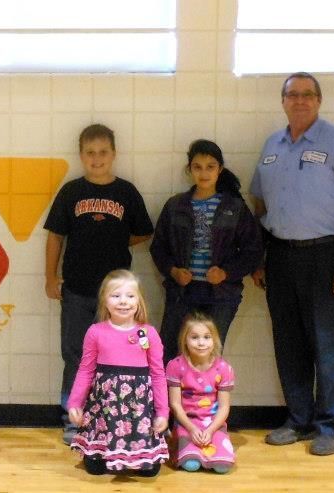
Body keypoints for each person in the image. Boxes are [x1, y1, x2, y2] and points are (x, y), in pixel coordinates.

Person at [249, 72, 334, 456]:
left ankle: (328, 427)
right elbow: (259, 202)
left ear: (319, 100)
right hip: (281, 257)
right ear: (282, 101)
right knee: (289, 343)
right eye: (292, 94)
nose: (299, 100)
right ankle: (298, 421)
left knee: (328, 346)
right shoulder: (271, 145)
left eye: (307, 94)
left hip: (327, 256)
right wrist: (263, 255)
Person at [44, 123, 154, 444]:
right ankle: (72, 417)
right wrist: (50, 277)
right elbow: (55, 236)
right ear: (81, 156)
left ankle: (108, 416)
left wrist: (117, 242)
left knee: (115, 356)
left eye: (103, 152)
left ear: (114, 154)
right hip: (76, 289)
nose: (96, 159)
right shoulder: (71, 191)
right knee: (75, 355)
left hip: (117, 296)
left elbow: (144, 231)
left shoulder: (126, 192)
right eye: (90, 153)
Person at [150, 139, 263, 361]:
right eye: (197, 167)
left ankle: (205, 397)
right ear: (189, 169)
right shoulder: (175, 206)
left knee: (208, 359)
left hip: (221, 296)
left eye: (210, 166)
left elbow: (253, 250)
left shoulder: (234, 207)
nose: (204, 173)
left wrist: (226, 273)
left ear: (220, 170)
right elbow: (158, 247)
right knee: (170, 356)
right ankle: (169, 397)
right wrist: (173, 271)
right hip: (182, 294)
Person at [67, 270, 169, 476]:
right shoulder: (95, 332)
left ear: (139, 301)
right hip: (104, 409)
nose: (123, 302)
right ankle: (101, 451)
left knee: (150, 472)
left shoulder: (149, 333)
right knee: (95, 469)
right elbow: (85, 370)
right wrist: (74, 403)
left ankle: (137, 452)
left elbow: (158, 375)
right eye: (116, 296)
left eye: (130, 296)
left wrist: (163, 412)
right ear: (104, 301)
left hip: (139, 410)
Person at [167, 313, 235, 474]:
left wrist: (211, 430)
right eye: (195, 337)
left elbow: (224, 407)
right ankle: (184, 448)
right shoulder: (175, 366)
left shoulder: (224, 368)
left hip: (214, 424)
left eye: (206, 337)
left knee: (222, 467)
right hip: (187, 423)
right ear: (185, 340)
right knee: (191, 465)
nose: (201, 343)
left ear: (214, 340)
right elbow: (175, 404)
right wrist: (191, 429)